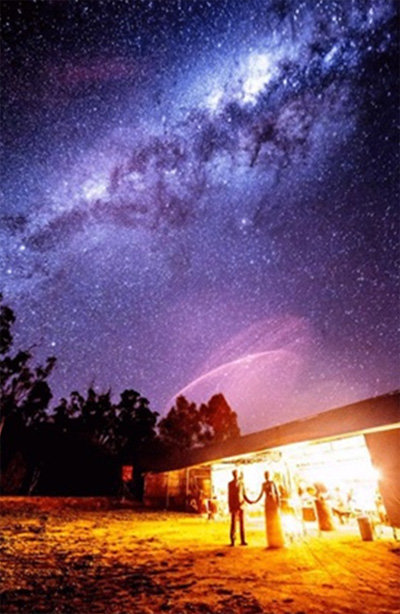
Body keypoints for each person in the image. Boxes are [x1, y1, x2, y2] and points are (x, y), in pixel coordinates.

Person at [252, 471, 285, 548]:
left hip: (273, 502)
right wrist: (255, 501)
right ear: (264, 476)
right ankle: (271, 542)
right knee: (269, 521)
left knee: (275, 520)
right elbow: (261, 494)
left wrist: (278, 503)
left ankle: (278, 541)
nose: (266, 476)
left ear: (269, 475)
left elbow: (277, 493)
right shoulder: (263, 484)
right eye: (265, 475)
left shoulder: (273, 483)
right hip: (267, 503)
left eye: (267, 475)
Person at [228, 469, 249, 546]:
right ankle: (233, 540)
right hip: (234, 506)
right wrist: (230, 506)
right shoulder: (230, 484)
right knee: (233, 524)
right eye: (234, 474)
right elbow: (229, 496)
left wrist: (250, 501)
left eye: (236, 473)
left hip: (242, 505)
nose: (236, 475)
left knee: (242, 524)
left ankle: (243, 540)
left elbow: (244, 494)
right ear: (233, 475)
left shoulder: (242, 483)